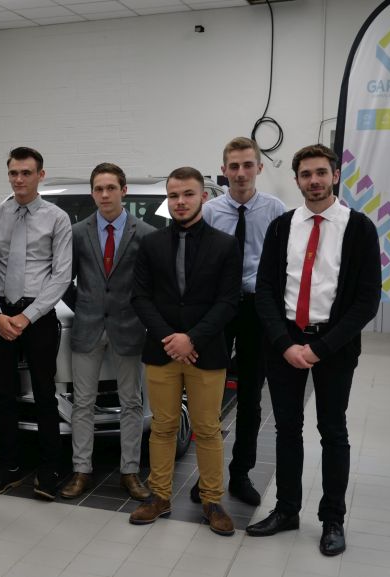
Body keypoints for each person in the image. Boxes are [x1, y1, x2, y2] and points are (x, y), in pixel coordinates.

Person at [246, 145, 380, 556]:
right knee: (286, 429)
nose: (314, 181)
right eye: (306, 174)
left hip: (334, 345)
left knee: (333, 431)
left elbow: (366, 300)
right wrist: (285, 343)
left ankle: (332, 519)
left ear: (335, 175)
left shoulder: (359, 228)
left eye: (321, 172)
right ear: (297, 180)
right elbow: (265, 290)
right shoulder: (282, 227)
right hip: (285, 343)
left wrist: (320, 348)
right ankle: (287, 510)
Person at [128, 167, 240, 536]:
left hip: (206, 352)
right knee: (162, 427)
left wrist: (191, 339)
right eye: (174, 195)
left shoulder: (225, 245)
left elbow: (228, 301)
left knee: (207, 429)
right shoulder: (151, 244)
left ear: (203, 197)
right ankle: (159, 497)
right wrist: (170, 338)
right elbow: (140, 298)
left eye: (188, 194)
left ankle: (212, 501)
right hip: (162, 351)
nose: (180, 201)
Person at [194, 137, 286, 507]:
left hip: (257, 309)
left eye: (248, 165)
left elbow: (284, 262)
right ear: (224, 170)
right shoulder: (210, 211)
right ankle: (207, 476)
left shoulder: (276, 210)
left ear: (259, 168)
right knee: (209, 396)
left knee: (250, 395)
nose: (241, 173)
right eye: (234, 166)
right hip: (218, 308)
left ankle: (240, 474)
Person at [0, 146, 72, 501]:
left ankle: (50, 468)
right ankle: (10, 466)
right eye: (14, 173)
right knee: (2, 394)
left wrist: (26, 316)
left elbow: (61, 275)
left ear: (40, 175)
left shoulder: (57, 218)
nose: (19, 179)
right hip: (0, 314)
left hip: (39, 315)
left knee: (44, 394)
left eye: (26, 173)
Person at [60, 163, 155, 501]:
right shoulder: (77, 232)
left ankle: (130, 472)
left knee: (131, 402)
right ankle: (81, 470)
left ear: (123, 191)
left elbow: (150, 285)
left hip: (129, 329)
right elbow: (64, 281)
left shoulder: (145, 233)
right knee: (83, 403)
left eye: (111, 188)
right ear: (92, 193)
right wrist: (85, 306)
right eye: (98, 189)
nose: (104, 194)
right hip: (87, 328)